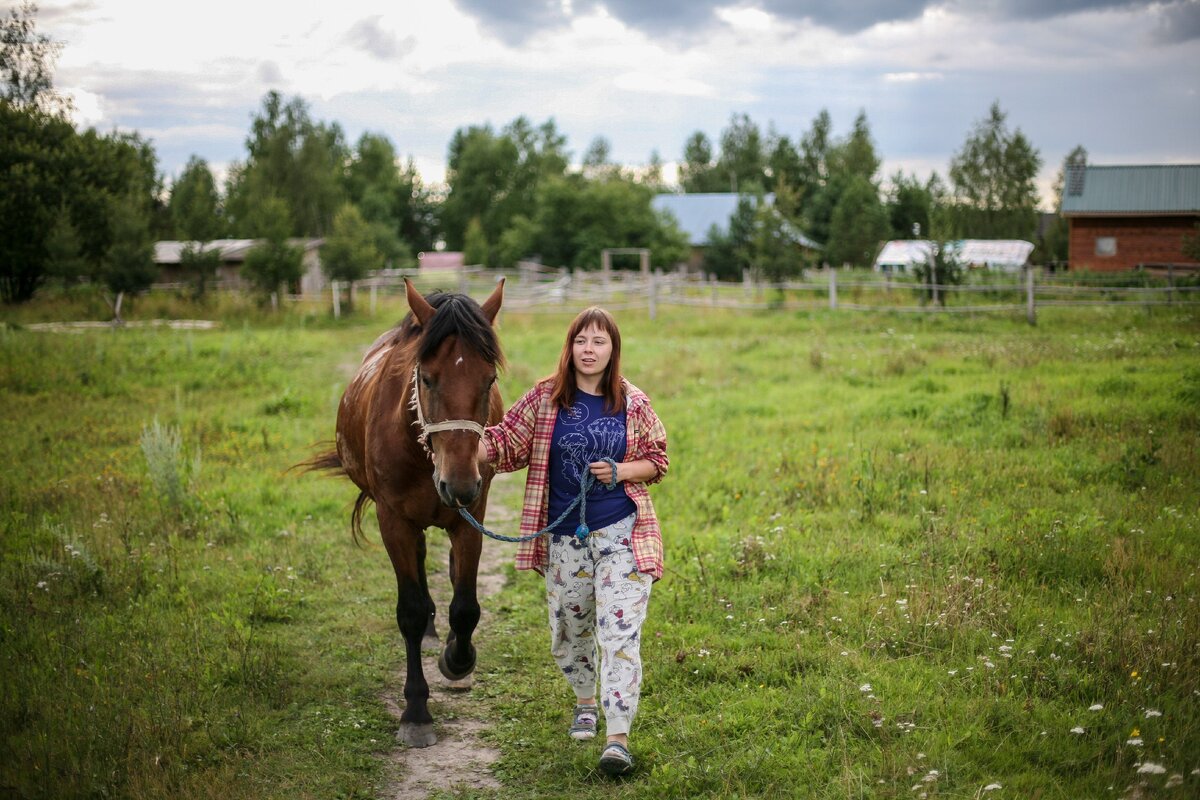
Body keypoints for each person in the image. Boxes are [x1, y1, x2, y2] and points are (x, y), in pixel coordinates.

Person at [478, 306, 669, 777]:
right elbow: (505, 443)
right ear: (570, 346)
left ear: (613, 349)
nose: (589, 349)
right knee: (570, 629)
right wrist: (459, 441)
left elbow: (657, 459)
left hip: (622, 531)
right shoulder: (546, 397)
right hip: (565, 541)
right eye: (582, 340)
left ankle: (617, 738)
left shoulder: (632, 401)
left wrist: (622, 471)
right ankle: (586, 700)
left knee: (619, 634)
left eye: (599, 341)